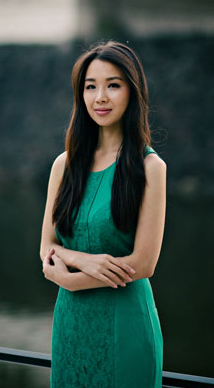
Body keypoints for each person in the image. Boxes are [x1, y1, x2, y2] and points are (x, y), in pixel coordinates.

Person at [39, 41, 166, 388]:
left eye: (113, 85)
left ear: (132, 91)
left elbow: (144, 263)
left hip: (125, 323)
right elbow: (47, 247)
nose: (100, 98)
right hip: (70, 326)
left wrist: (73, 278)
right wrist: (86, 261)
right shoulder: (64, 165)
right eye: (90, 86)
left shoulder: (149, 167)